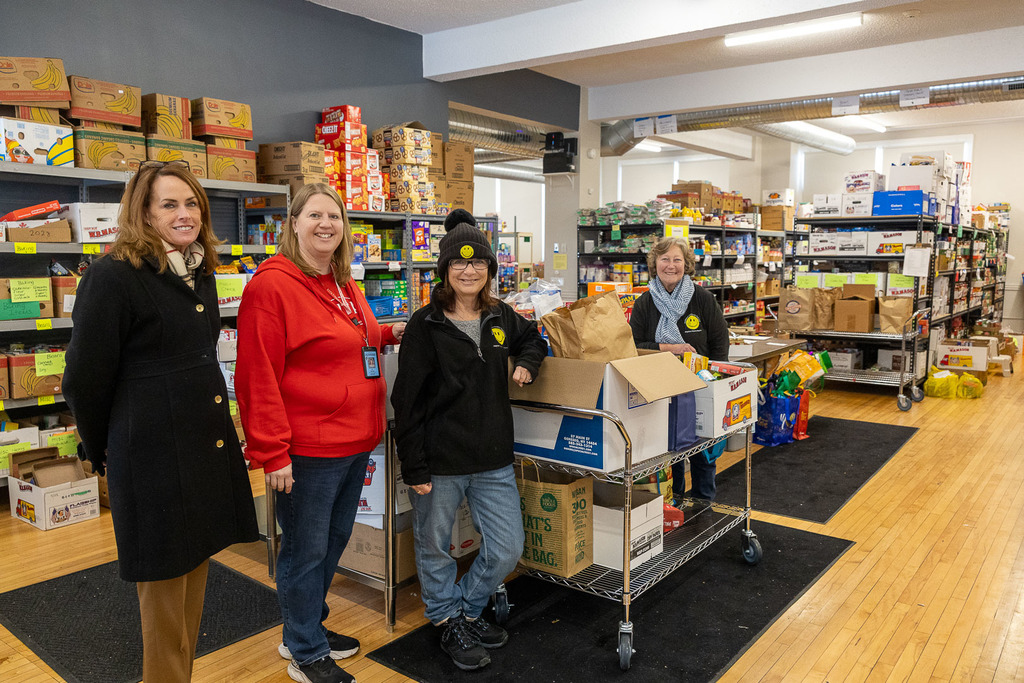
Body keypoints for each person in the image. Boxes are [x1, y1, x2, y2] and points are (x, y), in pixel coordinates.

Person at [63, 161, 259, 683]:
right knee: (163, 593)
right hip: (150, 454)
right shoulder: (113, 276)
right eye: (169, 204)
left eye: (191, 202)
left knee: (194, 576)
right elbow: (84, 379)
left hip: (199, 445)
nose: (185, 213)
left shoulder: (199, 268)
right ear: (142, 213)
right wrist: (102, 448)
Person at [235, 183, 405, 683]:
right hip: (308, 448)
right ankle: (306, 651)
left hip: (354, 440)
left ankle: (305, 627)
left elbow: (352, 336)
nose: (326, 224)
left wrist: (390, 333)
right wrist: (273, 453)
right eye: (314, 215)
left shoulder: (340, 281)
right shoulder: (272, 286)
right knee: (306, 550)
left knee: (332, 542)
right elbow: (255, 374)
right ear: (293, 223)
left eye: (334, 216)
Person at [391, 219, 547, 671]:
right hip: (440, 462)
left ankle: (467, 609)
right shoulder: (427, 324)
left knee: (506, 548)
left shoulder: (501, 314)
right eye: (458, 264)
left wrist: (529, 365)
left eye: (477, 261)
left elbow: (533, 339)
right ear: (444, 271)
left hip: (494, 458)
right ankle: (446, 620)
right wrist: (413, 466)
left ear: (489, 268)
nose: (468, 271)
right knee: (435, 546)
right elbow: (409, 399)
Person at [629, 236, 729, 506]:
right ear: (655, 264)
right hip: (660, 391)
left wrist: (716, 383)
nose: (670, 265)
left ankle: (703, 504)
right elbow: (634, 346)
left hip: (700, 388)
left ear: (686, 265)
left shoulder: (703, 299)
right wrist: (668, 348)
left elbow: (720, 342)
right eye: (664, 259)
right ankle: (676, 504)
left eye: (677, 260)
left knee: (702, 451)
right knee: (668, 453)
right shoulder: (645, 303)